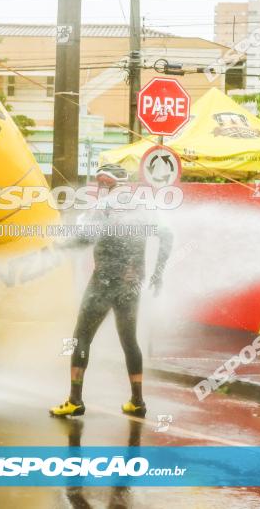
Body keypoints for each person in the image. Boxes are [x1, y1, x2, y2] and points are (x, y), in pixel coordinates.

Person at [50, 164, 173, 419]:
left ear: (109, 182)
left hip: (103, 282)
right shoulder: (144, 206)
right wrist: (157, 273)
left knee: (81, 337)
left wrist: (60, 246)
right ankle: (137, 401)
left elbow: (85, 239)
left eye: (101, 182)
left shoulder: (103, 206)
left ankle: (74, 400)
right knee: (129, 341)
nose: (99, 187)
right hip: (132, 284)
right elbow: (167, 235)